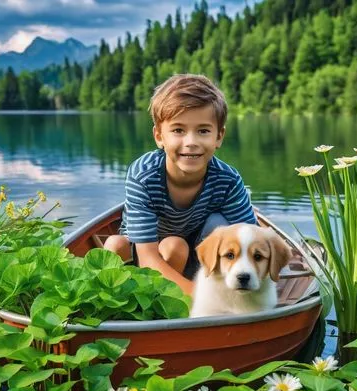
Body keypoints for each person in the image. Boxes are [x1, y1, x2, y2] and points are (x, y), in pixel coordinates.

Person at [104, 74, 257, 295]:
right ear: (159, 136)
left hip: (196, 258)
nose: (191, 142)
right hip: (144, 253)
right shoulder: (143, 175)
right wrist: (201, 298)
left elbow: (251, 240)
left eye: (203, 131)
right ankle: (138, 298)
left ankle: (212, 285)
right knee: (116, 245)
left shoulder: (229, 180)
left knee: (219, 227)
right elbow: (147, 257)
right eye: (178, 130)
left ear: (219, 136)